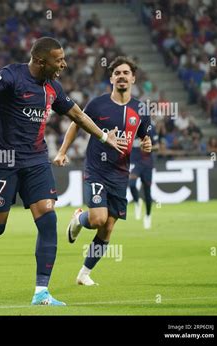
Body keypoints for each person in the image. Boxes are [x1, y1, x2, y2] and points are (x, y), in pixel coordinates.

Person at [0, 37, 127, 306]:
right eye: (59, 59)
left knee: (48, 218)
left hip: (37, 161)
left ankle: (41, 291)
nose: (64, 64)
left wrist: (103, 137)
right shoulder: (11, 76)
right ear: (41, 61)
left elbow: (77, 115)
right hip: (4, 160)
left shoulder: (52, 86)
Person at [54, 56, 152, 286]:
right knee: (98, 219)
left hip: (120, 174)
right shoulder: (98, 105)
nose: (121, 76)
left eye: (126, 73)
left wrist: (147, 143)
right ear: (111, 78)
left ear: (133, 78)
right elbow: (76, 124)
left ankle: (84, 274)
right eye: (117, 73)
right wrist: (62, 151)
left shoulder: (141, 109)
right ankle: (79, 218)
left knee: (108, 228)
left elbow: (144, 137)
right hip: (97, 169)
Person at [129, 123, 158, 229]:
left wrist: (147, 146)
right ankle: (137, 202)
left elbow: (157, 146)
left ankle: (148, 215)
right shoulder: (129, 124)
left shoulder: (150, 127)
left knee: (147, 192)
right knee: (131, 184)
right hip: (134, 162)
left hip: (147, 163)